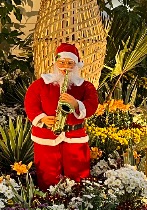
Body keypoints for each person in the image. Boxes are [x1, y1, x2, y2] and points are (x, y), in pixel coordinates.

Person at [24, 43, 99, 190]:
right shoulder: (42, 83)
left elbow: (92, 105)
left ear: (76, 65)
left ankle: (78, 202)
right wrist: (42, 118)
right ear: (55, 63)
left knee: (78, 176)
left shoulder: (85, 86)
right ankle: (48, 204)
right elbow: (30, 104)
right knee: (47, 175)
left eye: (70, 63)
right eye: (62, 62)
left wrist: (76, 104)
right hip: (47, 136)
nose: (65, 66)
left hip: (75, 136)